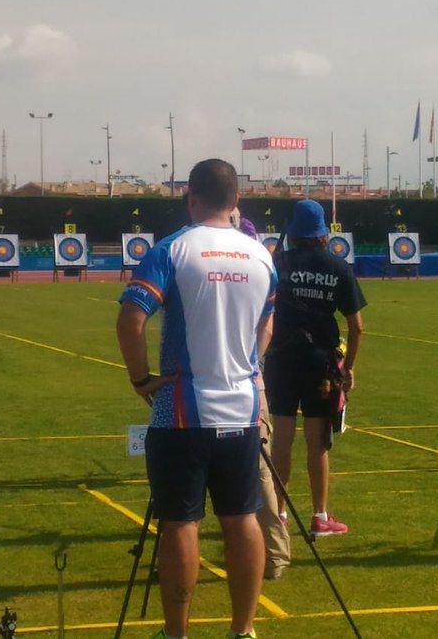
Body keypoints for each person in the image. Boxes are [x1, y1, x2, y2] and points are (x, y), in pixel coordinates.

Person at [117, 159, 276, 639]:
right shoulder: (261, 255)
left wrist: (141, 380)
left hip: (181, 412)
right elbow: (268, 324)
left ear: (191, 197)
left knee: (181, 524)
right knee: (242, 518)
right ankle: (243, 630)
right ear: (237, 201)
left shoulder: (174, 249)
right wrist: (247, 367)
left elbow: (131, 319)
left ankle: (177, 634)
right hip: (242, 410)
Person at [264, 200, 364, 537]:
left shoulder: (277, 263)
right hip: (320, 363)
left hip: (280, 358)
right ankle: (320, 516)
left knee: (282, 436)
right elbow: (357, 326)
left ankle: (278, 514)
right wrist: (348, 368)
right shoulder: (337, 266)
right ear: (323, 233)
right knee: (317, 441)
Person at [231, 208, 291, 579]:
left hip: (240, 382)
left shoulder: (252, 266)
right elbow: (266, 328)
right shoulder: (260, 265)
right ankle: (275, 555)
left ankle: (275, 554)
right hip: (250, 379)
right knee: (259, 471)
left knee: (258, 470)